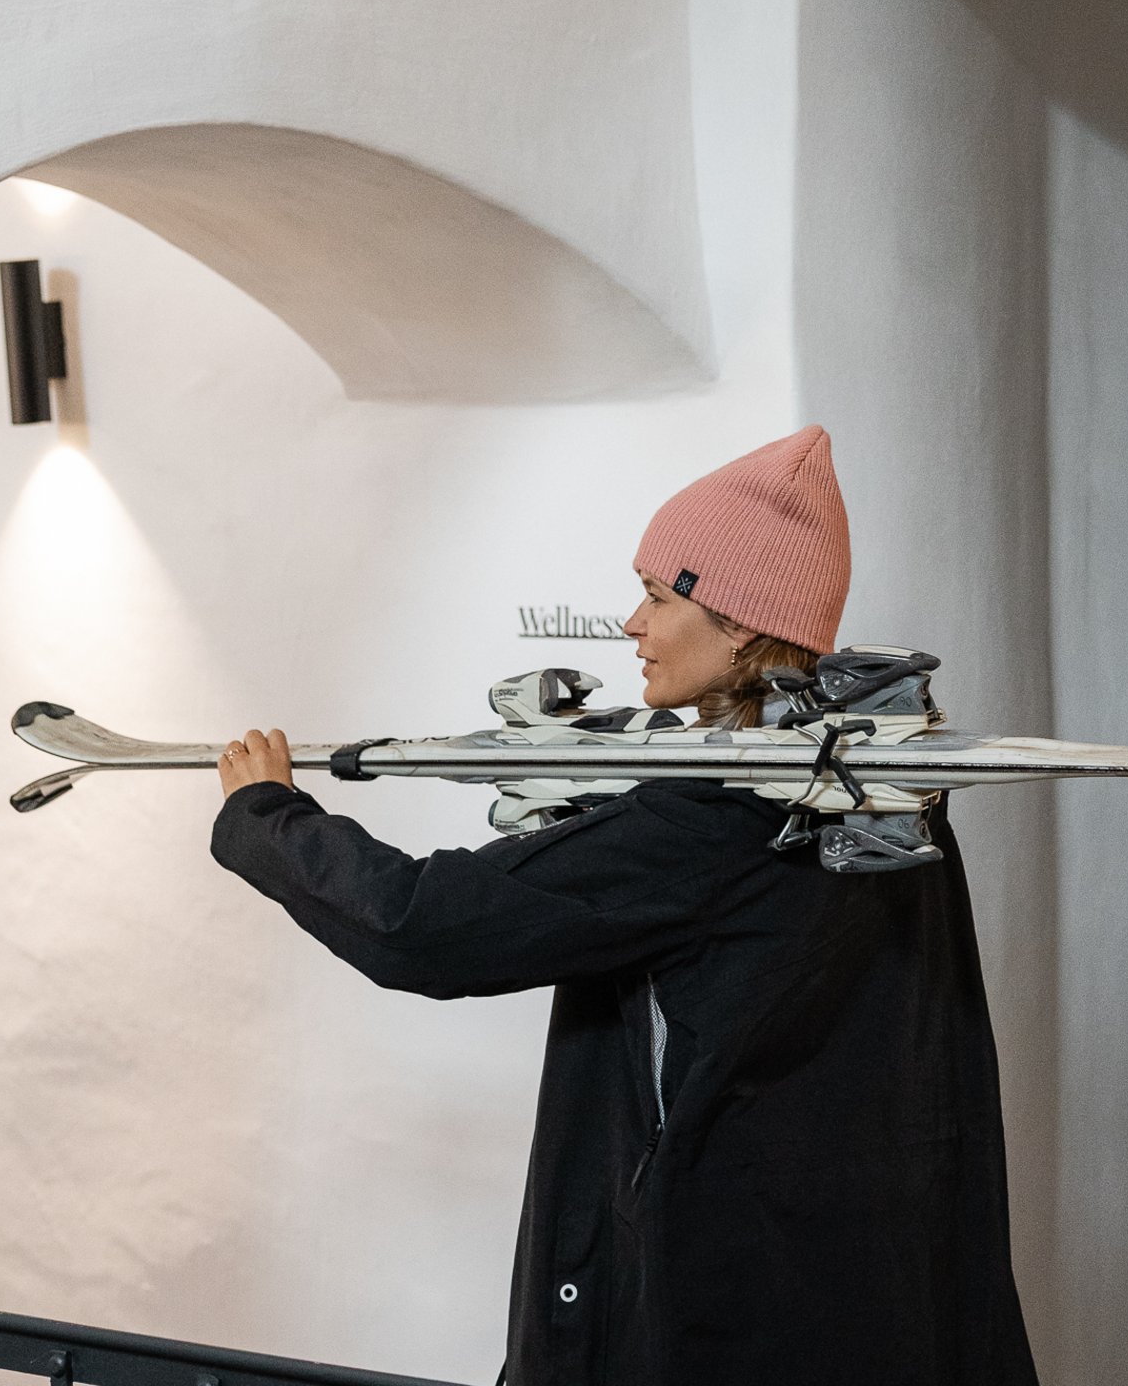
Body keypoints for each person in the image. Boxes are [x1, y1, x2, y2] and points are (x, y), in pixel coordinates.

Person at [209, 427, 1038, 1385]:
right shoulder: (878, 786)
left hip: (709, 1324)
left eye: (655, 596)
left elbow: (424, 928)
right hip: (863, 1303)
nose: (629, 626)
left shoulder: (714, 818)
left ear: (736, 621)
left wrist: (265, 818)